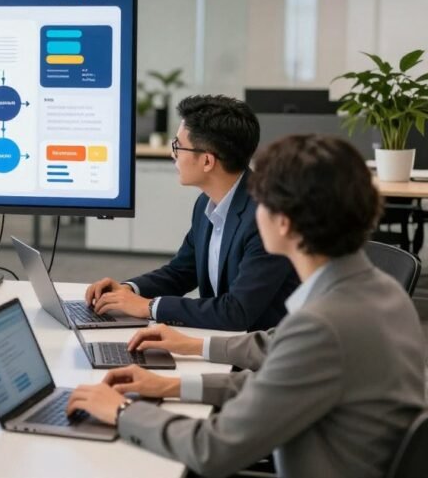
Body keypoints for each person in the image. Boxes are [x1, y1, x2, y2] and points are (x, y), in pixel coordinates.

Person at [66, 134, 426, 478]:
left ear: (283, 223)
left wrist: (123, 412)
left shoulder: (323, 325)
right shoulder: (380, 290)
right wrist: (169, 386)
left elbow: (212, 448)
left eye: (261, 201)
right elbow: (277, 376)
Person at [86, 95, 298, 331]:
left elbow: (237, 312)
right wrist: (129, 290)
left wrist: (147, 307)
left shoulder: (265, 217)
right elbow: (181, 272)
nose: (173, 154)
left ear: (207, 161)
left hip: (259, 355)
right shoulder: (206, 204)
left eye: (178, 146)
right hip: (221, 340)